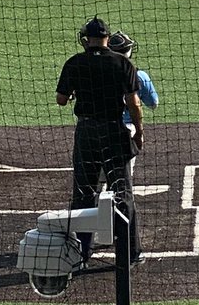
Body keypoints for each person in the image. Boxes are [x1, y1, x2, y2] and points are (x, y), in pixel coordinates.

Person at [56, 17, 144, 265]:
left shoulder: (74, 63)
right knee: (122, 191)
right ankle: (130, 253)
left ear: (86, 38)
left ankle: (82, 252)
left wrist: (76, 92)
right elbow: (133, 103)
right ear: (107, 38)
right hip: (114, 132)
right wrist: (139, 131)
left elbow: (61, 99)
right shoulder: (122, 62)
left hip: (86, 134)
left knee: (84, 191)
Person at [107, 31, 158, 176]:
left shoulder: (95, 73)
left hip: (99, 127)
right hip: (127, 130)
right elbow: (154, 104)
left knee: (97, 181)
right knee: (123, 178)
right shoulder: (140, 76)